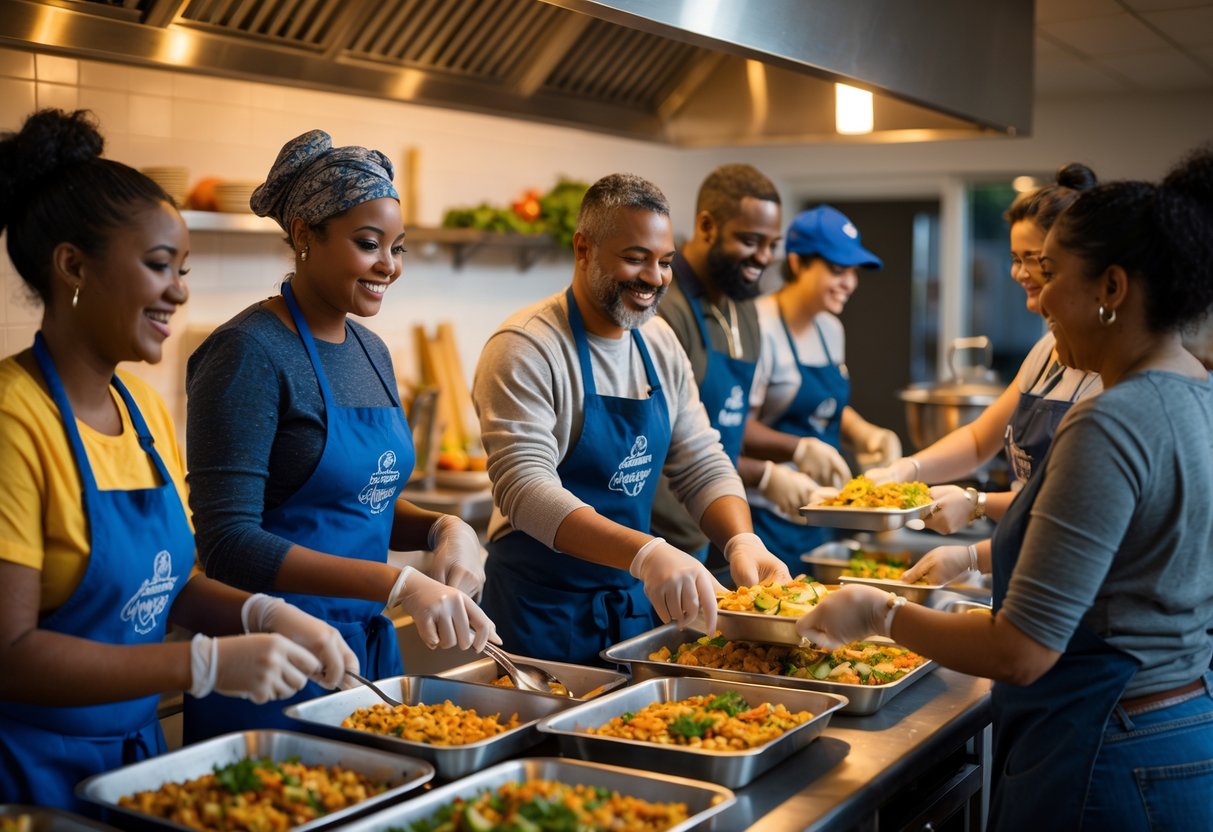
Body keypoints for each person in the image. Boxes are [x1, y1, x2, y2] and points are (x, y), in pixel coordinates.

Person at [798, 145, 1213, 830]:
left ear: (1111, 288)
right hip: (1179, 726)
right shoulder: (1197, 394)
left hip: (1102, 746)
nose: (1038, 296)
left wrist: (877, 614)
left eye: (1051, 274)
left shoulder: (1110, 422)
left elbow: (1017, 652)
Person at [0, 109, 353, 809]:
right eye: (159, 266)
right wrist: (203, 662)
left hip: (136, 767)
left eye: (183, 269)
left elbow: (167, 586)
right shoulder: (14, 421)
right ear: (72, 265)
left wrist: (261, 613)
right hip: (29, 777)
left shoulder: (142, 410)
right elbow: (10, 657)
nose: (180, 290)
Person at [182, 129, 497, 742]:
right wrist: (397, 580)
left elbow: (358, 499)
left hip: (367, 656)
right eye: (368, 244)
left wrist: (441, 527)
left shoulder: (371, 350)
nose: (389, 266)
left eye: (397, 247)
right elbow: (227, 543)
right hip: (273, 663)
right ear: (304, 234)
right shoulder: (247, 352)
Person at [472, 173, 789, 665]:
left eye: (664, 262)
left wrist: (741, 540)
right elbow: (525, 490)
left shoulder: (658, 342)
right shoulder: (526, 346)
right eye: (636, 258)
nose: (655, 278)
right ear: (584, 249)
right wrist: (647, 554)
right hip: (543, 616)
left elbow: (700, 459)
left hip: (636, 606)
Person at [868, 165, 1102, 551]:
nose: (1018, 273)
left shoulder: (1111, 370)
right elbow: (980, 440)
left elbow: (1074, 504)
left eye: (1034, 260)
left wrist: (978, 505)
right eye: (1015, 258)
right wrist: (908, 470)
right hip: (1025, 553)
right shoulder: (1045, 352)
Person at [650, 163, 807, 576]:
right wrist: (765, 475)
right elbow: (667, 444)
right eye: (750, 240)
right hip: (655, 542)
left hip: (714, 532)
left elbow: (735, 424)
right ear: (706, 226)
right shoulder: (665, 309)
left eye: (772, 244)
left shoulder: (745, 311)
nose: (764, 257)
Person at [743, 205, 901, 570]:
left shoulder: (831, 328)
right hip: (768, 515)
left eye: (853, 272)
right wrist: (797, 450)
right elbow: (736, 428)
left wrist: (864, 434)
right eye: (837, 270)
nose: (850, 282)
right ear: (797, 263)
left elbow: (825, 404)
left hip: (822, 514)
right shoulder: (758, 328)